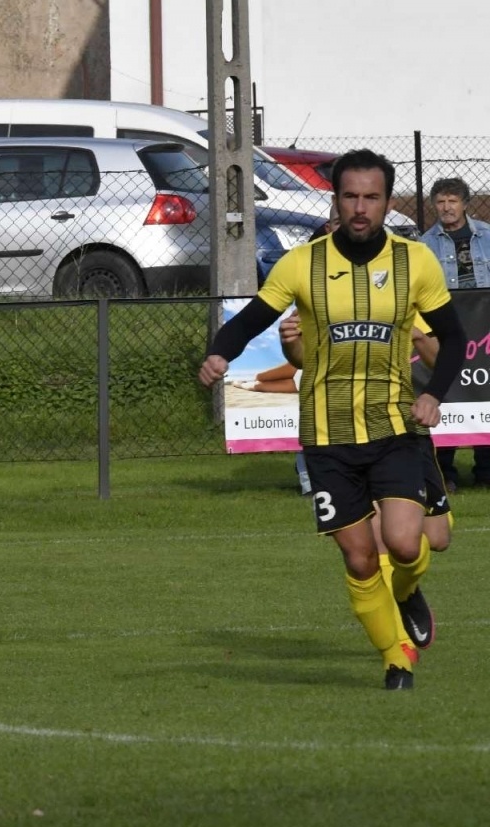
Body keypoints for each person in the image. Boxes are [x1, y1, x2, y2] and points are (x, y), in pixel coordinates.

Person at [199, 149, 468, 690]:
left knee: (410, 545)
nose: (361, 208)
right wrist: (220, 351)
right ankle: (395, 658)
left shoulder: (416, 261)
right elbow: (252, 318)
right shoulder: (303, 263)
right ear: (335, 200)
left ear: (388, 202)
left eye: (371, 197)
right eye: (350, 196)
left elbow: (456, 339)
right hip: (326, 436)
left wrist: (435, 394)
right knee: (360, 557)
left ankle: (408, 590)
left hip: (394, 426)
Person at [279, 311, 450, 653]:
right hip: (344, 437)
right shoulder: (320, 292)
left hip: (406, 433)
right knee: (380, 543)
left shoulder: (407, 289)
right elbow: (300, 360)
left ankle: (406, 590)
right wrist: (291, 342)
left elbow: (441, 362)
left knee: (437, 537)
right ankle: (398, 647)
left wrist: (415, 336)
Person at [417, 177, 490, 489]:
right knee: (444, 389)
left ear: (465, 203)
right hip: (444, 326)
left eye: (452, 201)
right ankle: (444, 470)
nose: (446, 207)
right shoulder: (424, 244)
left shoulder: (487, 235)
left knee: (484, 393)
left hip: (484, 327)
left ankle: (486, 470)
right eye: (440, 201)